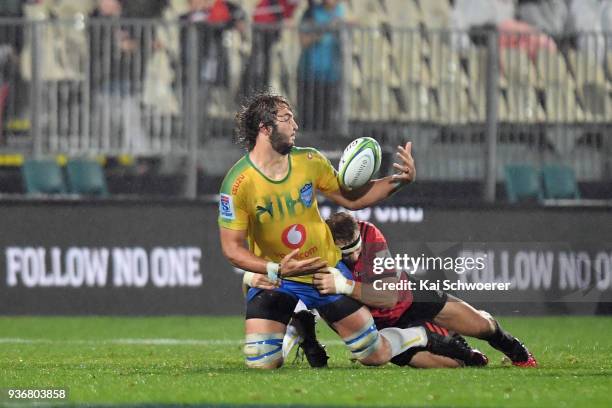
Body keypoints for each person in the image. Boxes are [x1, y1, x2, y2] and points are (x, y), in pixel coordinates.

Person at [218, 92, 473, 369]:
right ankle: (299, 322)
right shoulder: (237, 184)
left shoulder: (309, 161)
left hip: (325, 272)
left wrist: (398, 182)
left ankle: (416, 335)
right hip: (280, 279)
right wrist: (274, 270)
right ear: (265, 128)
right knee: (262, 363)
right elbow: (232, 248)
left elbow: (352, 198)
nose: (295, 125)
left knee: (373, 355)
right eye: (287, 118)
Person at [313, 211, 537, 368]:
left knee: (481, 326)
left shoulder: (369, 233)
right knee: (457, 364)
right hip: (379, 326)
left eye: (355, 249)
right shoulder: (318, 249)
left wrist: (344, 285)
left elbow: (389, 297)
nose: (352, 257)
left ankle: (516, 351)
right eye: (344, 253)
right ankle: (455, 349)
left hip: (409, 298)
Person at [297, 0, 345, 131]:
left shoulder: (341, 11)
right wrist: (325, 29)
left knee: (327, 121)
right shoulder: (311, 13)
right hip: (310, 74)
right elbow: (304, 40)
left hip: (332, 76)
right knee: (309, 120)